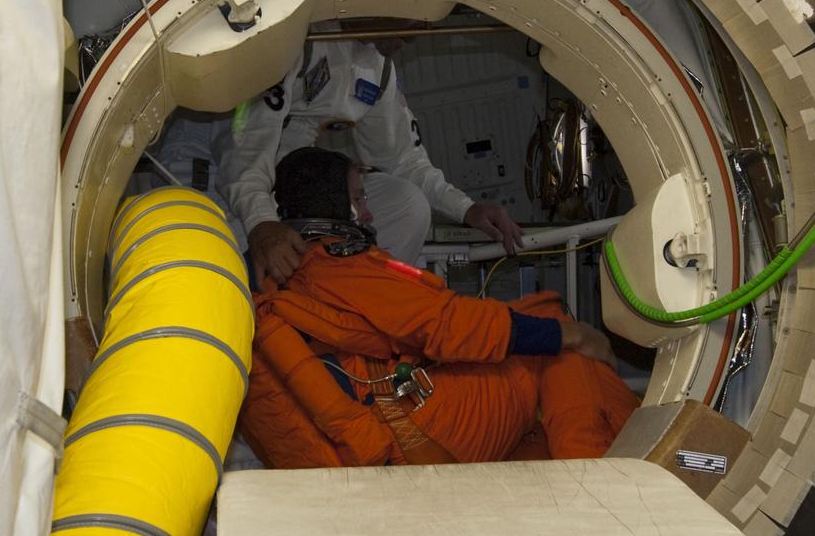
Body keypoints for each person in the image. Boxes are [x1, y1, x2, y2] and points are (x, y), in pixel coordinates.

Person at [239, 146, 639, 470]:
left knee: (539, 361)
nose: (368, 212)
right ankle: (598, 478)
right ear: (332, 204)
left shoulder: (278, 277)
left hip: (377, 442)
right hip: (414, 435)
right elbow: (447, 326)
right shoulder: (335, 266)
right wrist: (576, 335)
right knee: (554, 338)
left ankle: (590, 467)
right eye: (358, 199)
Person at [214, 18, 524, 287]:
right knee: (237, 257)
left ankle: (366, 311)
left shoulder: (378, 70)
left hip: (295, 188)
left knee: (405, 203)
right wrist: (261, 222)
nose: (422, 31)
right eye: (416, 13)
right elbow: (246, 144)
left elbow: (403, 160)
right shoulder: (301, 39)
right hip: (223, 177)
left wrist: (466, 209)